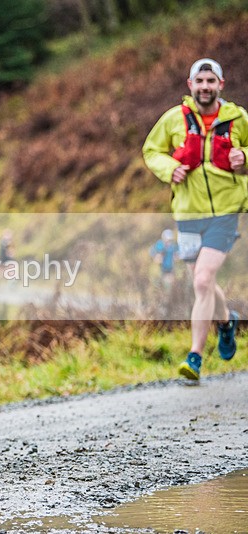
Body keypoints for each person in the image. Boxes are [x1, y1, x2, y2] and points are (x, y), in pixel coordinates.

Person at [143, 58, 248, 380]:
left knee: (202, 280)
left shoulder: (238, 117)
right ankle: (227, 321)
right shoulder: (174, 119)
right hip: (188, 212)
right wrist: (167, 169)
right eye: (199, 81)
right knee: (203, 283)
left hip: (225, 211)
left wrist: (245, 156)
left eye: (210, 81)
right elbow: (151, 151)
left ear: (221, 85)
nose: (205, 86)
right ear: (190, 86)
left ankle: (195, 358)